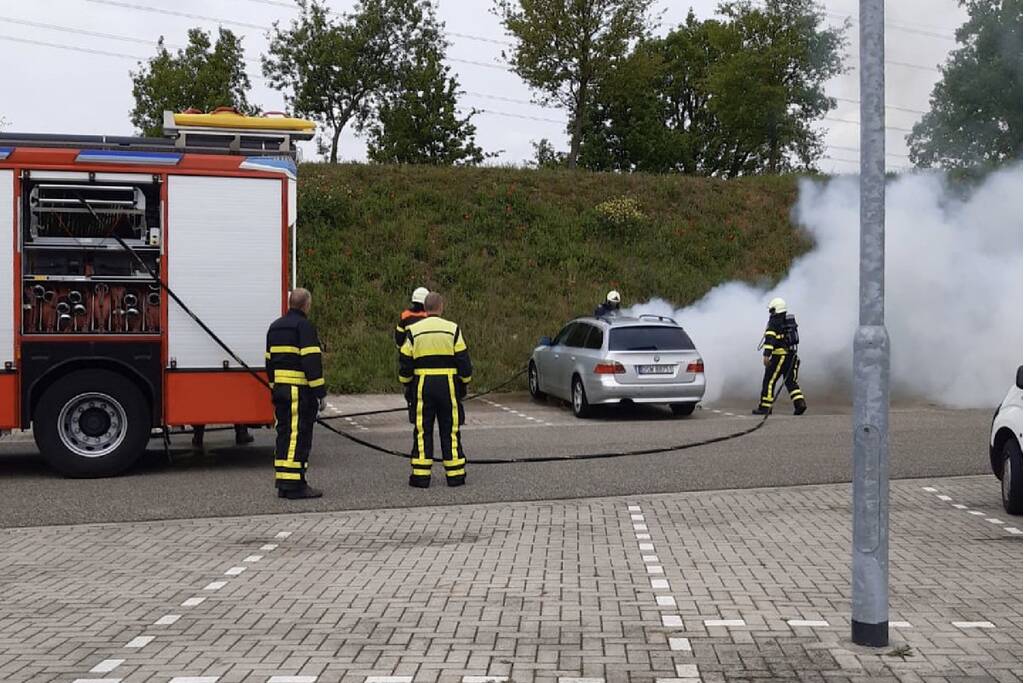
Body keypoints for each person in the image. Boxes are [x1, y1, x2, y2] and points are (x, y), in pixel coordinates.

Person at [398, 292, 472, 488]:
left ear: (425, 307)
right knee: (451, 429)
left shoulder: (414, 331)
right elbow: (463, 360)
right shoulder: (452, 329)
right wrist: (464, 381)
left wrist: (406, 382)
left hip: (423, 385)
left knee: (423, 430)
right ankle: (455, 475)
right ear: (441, 307)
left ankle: (421, 476)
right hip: (448, 385)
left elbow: (405, 360)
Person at [266, 287, 327, 499]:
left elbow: (269, 361)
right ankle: (295, 486)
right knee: (297, 436)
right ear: (305, 305)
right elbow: (311, 361)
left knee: (284, 435)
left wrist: (274, 385)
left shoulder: (274, 327)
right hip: (298, 390)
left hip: (280, 390)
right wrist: (320, 392)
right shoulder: (304, 327)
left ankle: (284, 482)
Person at [753, 297, 807, 416]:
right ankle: (800, 404)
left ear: (776, 309)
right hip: (791, 356)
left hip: (779, 357)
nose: (770, 313)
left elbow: (770, 340)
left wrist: (766, 356)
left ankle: (765, 408)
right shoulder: (787, 321)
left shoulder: (774, 322)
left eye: (772, 310)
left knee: (769, 381)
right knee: (790, 381)